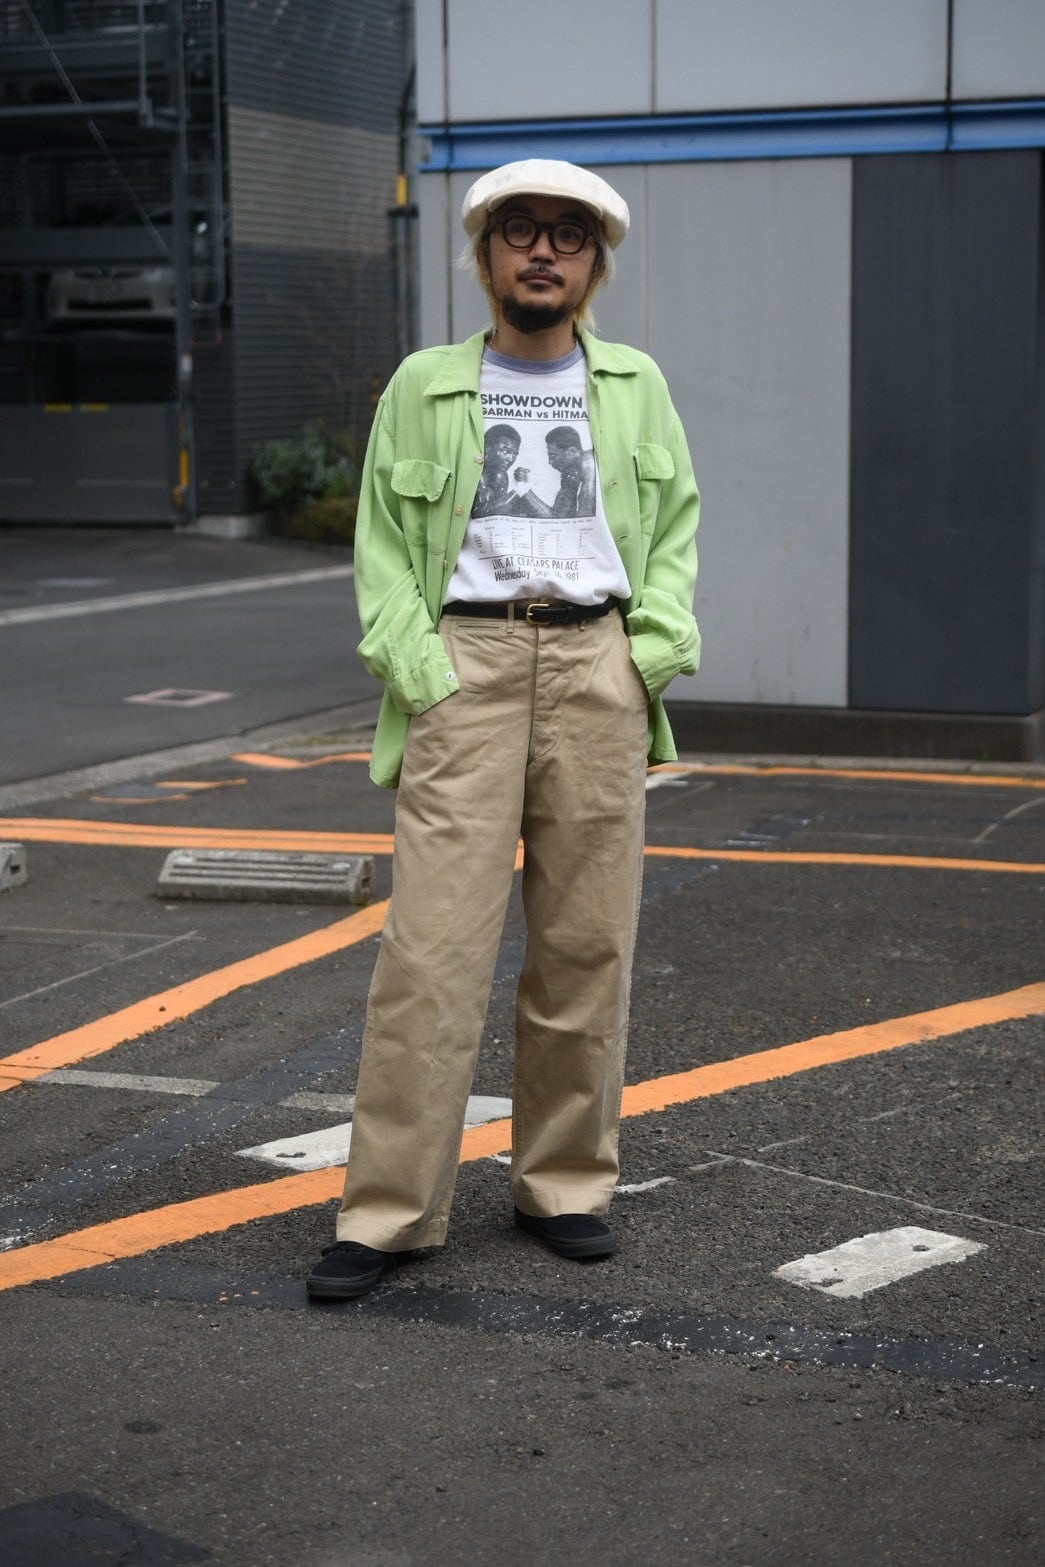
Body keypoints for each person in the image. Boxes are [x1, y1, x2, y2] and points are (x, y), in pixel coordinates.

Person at [306, 158, 701, 1301]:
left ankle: (563, 1185)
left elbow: (675, 529)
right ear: (484, 258)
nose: (542, 251)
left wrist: (645, 654)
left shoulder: (634, 384)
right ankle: (388, 1212)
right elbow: (382, 548)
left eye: (567, 236)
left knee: (586, 945)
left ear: (593, 265)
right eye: (519, 230)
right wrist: (423, 674)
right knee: (429, 955)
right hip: (465, 668)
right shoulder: (425, 384)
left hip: (596, 665)